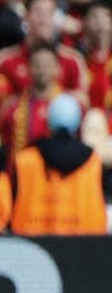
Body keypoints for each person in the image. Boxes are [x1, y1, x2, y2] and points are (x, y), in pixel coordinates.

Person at [8, 93, 106, 235]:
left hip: (31, 249)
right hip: (85, 247)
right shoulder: (93, 161)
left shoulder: (25, 160)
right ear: (78, 124)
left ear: (48, 122)